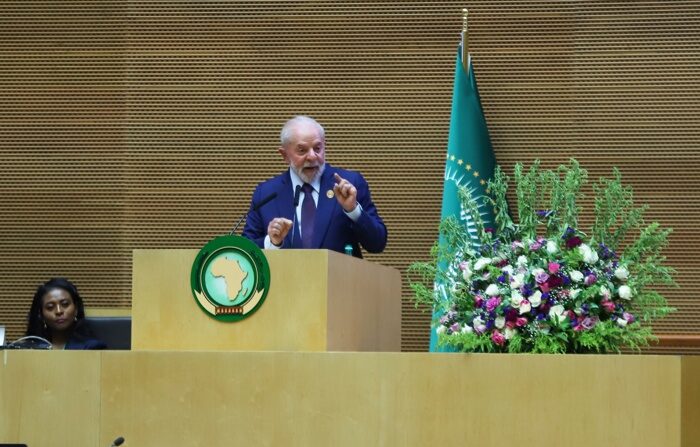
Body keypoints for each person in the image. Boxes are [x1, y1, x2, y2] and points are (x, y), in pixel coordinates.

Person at [242, 116, 387, 257]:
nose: (312, 157)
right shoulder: (266, 193)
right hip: (285, 280)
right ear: (284, 155)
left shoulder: (349, 184)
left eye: (317, 148)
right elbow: (245, 251)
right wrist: (272, 242)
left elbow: (377, 243)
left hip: (339, 280)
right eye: (302, 150)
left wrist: (353, 210)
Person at [26, 278, 106, 350]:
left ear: (76, 308)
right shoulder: (29, 349)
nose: (59, 311)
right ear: (41, 314)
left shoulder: (93, 348)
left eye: (65, 304)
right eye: (50, 307)